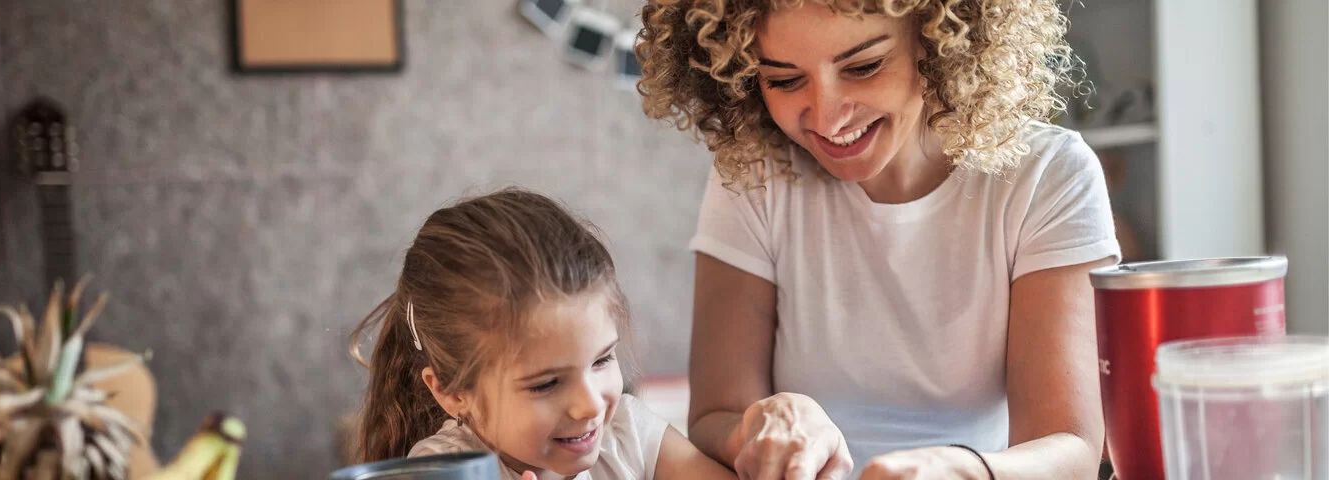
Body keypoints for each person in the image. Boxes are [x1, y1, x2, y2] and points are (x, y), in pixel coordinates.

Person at [636, 1, 1121, 479]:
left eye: (864, 67)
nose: (828, 119)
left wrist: (961, 470)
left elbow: (1071, 450)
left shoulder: (1046, 177)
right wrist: (758, 427)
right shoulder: (756, 173)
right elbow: (710, 419)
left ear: (937, 43)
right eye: (784, 79)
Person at [351, 189, 738, 480]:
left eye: (602, 360)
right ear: (452, 393)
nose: (590, 406)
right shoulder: (446, 471)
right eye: (546, 384)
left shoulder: (626, 433)